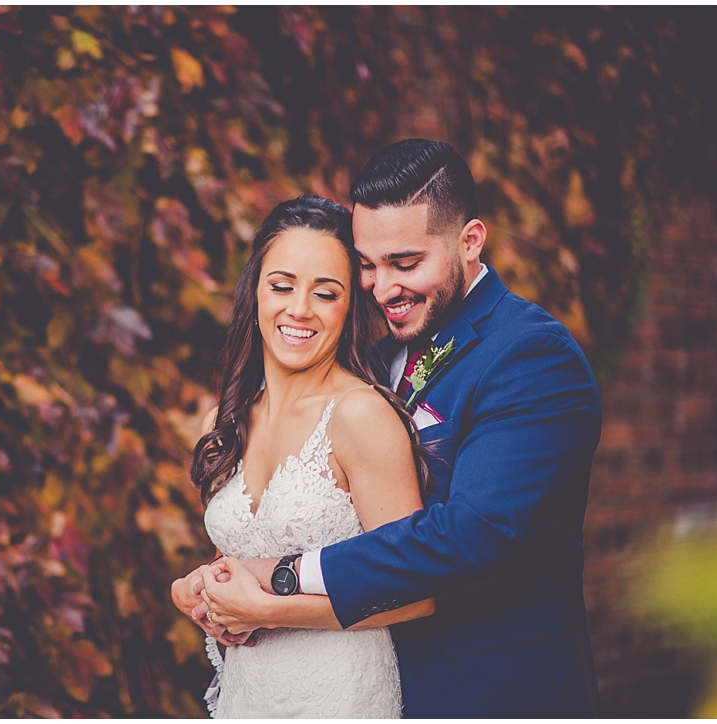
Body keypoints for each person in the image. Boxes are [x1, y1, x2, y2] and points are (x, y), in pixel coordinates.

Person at [175, 139, 603, 718]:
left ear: (470, 241)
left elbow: (474, 531)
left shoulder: (529, 355)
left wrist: (282, 578)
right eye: (369, 266)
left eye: (406, 264)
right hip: (368, 675)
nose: (382, 288)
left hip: (493, 687)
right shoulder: (373, 361)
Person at [180, 194, 436, 717]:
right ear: (255, 290)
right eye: (281, 286)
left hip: (338, 692)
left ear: (350, 307)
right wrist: (200, 588)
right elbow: (248, 558)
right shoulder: (224, 424)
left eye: (326, 293)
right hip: (249, 695)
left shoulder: (359, 417)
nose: (299, 309)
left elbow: (416, 593)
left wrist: (269, 611)